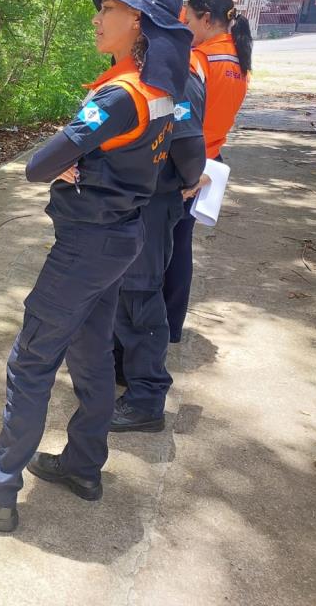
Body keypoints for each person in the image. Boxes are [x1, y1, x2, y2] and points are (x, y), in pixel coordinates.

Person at [0, 0, 191, 532]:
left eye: (111, 9)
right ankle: (82, 464)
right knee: (93, 354)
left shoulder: (120, 95)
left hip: (86, 246)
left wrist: (69, 161)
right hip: (122, 238)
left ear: (140, 22)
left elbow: (36, 165)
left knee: (31, 361)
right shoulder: (161, 89)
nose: (98, 18)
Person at [110, 50, 207, 430]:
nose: (98, 19)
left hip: (152, 202)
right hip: (127, 202)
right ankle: (125, 371)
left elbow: (189, 146)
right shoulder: (133, 70)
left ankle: (147, 399)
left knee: (140, 296)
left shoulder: (174, 75)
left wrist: (185, 182)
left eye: (110, 10)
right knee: (121, 291)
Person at [163, 0, 253, 344]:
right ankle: (171, 326)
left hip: (185, 163)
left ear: (204, 18)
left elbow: (182, 121)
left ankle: (156, 326)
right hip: (211, 161)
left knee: (161, 247)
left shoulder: (198, 60)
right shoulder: (239, 64)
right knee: (181, 244)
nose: (185, 26)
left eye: (188, 19)